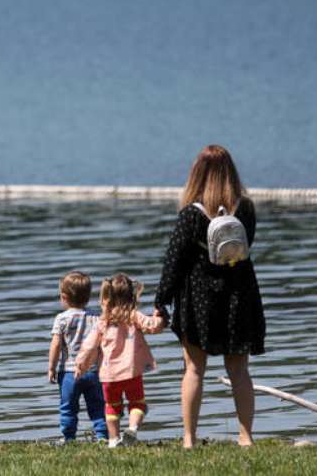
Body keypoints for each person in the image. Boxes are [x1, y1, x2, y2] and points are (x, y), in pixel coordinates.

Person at [154, 144, 265, 448]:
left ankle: (189, 438)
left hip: (199, 299)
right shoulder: (246, 209)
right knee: (240, 371)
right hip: (239, 296)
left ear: (197, 174)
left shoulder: (191, 215)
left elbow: (174, 262)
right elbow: (246, 246)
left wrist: (160, 300)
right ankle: (246, 437)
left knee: (193, 369)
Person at [75, 274, 164, 448]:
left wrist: (81, 365)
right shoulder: (134, 316)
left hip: (109, 376)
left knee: (112, 407)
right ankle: (132, 428)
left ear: (106, 297)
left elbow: (89, 346)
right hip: (132, 372)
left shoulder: (103, 322)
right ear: (132, 296)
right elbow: (152, 326)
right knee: (137, 403)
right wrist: (161, 318)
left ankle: (114, 440)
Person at [48, 271, 107, 443]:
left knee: (68, 407)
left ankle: (68, 437)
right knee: (97, 406)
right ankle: (103, 436)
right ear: (88, 297)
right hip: (93, 372)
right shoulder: (97, 318)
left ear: (64, 297)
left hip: (68, 372)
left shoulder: (61, 319)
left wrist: (51, 367)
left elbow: (56, 345)